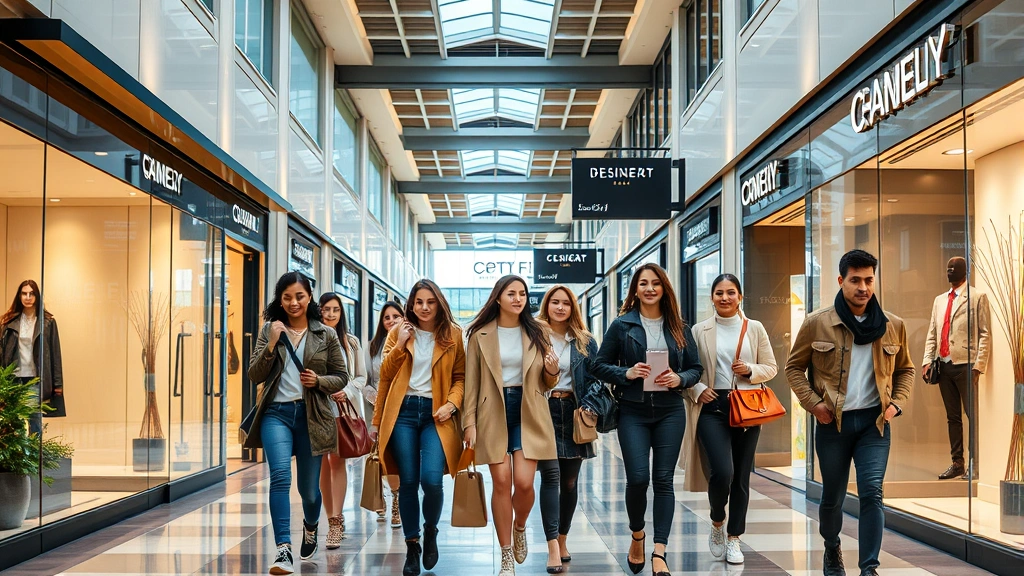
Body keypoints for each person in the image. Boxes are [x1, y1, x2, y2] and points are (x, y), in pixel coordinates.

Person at [786, 249, 914, 576]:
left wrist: (896, 403)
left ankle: (869, 567)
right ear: (841, 281)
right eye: (855, 280)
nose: (863, 287)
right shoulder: (817, 323)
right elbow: (794, 368)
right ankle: (832, 547)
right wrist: (813, 404)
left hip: (874, 424)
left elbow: (906, 370)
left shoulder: (892, 325)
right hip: (833, 425)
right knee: (832, 497)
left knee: (872, 491)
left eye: (869, 280)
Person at [591, 263, 702, 576]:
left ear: (664, 288)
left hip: (670, 411)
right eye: (643, 283)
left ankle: (660, 551)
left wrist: (679, 379)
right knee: (638, 478)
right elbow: (598, 365)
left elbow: (696, 369)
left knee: (664, 480)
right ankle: (637, 535)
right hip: (633, 411)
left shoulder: (679, 326)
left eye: (656, 283)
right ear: (635, 290)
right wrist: (625, 373)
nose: (650, 288)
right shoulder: (622, 325)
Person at [244, 272, 349, 575]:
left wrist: (319, 380)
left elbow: (341, 376)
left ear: (309, 297)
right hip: (276, 414)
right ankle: (283, 551)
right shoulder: (270, 330)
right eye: (287, 297)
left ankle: (312, 525)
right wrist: (271, 344)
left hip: (311, 416)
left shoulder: (324, 334)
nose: (293, 302)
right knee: (279, 477)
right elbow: (254, 375)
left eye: (299, 296)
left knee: (310, 491)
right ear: (279, 298)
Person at [464, 275, 559, 576]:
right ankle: (506, 553)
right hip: (491, 411)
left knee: (526, 482)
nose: (518, 299)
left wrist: (553, 370)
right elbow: (471, 383)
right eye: (511, 293)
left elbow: (547, 381)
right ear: (498, 298)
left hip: (528, 410)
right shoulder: (479, 334)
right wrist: (469, 424)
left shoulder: (538, 330)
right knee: (502, 482)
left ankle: (520, 526)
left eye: (522, 294)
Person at [682, 274, 777, 565]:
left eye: (731, 292)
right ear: (712, 297)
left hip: (747, 407)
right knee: (722, 471)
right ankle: (717, 520)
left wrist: (750, 370)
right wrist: (698, 389)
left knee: (742, 477)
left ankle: (734, 538)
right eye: (720, 293)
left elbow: (771, 367)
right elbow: (686, 370)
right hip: (712, 407)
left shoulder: (755, 328)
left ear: (740, 297)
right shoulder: (699, 330)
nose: (725, 298)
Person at [373, 279, 465, 576]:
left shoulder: (454, 334)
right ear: (411, 304)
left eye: (430, 302)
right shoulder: (398, 332)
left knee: (432, 480)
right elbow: (385, 376)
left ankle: (431, 529)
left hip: (436, 415)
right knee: (408, 482)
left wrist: (451, 403)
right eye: (418, 302)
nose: (424, 308)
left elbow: (461, 377)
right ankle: (412, 544)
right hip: (402, 413)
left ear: (439, 303)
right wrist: (399, 343)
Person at [535, 285, 602, 574]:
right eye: (555, 302)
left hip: (574, 412)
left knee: (570, 483)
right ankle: (551, 546)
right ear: (547, 305)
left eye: (565, 303)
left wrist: (589, 404)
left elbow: (597, 378)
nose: (560, 307)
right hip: (543, 410)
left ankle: (563, 539)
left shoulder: (585, 341)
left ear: (573, 307)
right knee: (550, 477)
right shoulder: (534, 335)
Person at [922, 256, 990, 480]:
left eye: (954, 268)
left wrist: (979, 366)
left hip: (966, 364)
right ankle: (957, 462)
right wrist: (927, 360)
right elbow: (933, 332)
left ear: (965, 271)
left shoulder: (977, 297)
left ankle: (976, 464)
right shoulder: (940, 300)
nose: (950, 271)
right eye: (948, 268)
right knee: (953, 418)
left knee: (973, 417)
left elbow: (984, 334)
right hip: (944, 364)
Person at [317, 292, 367, 548]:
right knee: (322, 465)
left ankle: (336, 520)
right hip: (317, 409)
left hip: (341, 411)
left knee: (338, 461)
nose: (331, 314)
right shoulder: (312, 339)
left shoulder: (352, 342)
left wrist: (345, 390)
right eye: (326, 309)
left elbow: (361, 377)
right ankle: (330, 517)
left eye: (336, 309)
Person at [1, 279, 64, 435]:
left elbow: (55, 353)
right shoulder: (9, 322)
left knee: (34, 421)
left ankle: (36, 457)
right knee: (13, 423)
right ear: (19, 296)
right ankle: (20, 457)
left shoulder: (47, 322)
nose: (27, 297)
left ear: (37, 296)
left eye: (31, 294)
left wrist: (58, 385)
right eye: (24, 293)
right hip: (14, 379)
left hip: (35, 380)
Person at [365, 301, 406, 526]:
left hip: (401, 409)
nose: (391, 321)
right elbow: (366, 380)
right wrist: (373, 396)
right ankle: (381, 498)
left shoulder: (408, 341)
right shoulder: (372, 347)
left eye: (396, 316)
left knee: (396, 457)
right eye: (387, 317)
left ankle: (397, 500)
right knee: (380, 458)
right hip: (377, 410)